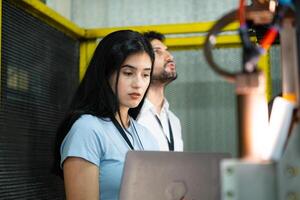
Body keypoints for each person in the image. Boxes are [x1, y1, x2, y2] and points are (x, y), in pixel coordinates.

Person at [53, 30, 159, 200]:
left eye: (145, 75)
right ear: (105, 73)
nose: (138, 84)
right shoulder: (87, 129)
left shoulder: (146, 136)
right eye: (128, 73)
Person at [137, 31, 183, 151]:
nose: (170, 56)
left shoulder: (174, 121)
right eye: (158, 51)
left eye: (167, 50)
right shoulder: (131, 116)